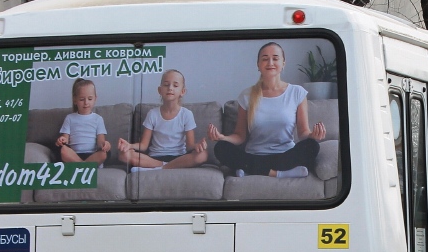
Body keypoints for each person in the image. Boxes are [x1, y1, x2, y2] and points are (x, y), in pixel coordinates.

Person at [208, 42, 326, 178]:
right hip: (254, 154)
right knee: (221, 148)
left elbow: (303, 133)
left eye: (275, 58)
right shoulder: (247, 95)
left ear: (283, 63)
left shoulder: (297, 93)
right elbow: (240, 136)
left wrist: (313, 136)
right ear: (258, 65)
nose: (270, 62)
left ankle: (252, 169)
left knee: (312, 146)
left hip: (285, 155)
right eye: (265, 58)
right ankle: (278, 173)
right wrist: (223, 137)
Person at [117, 69, 208, 170]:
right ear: (160, 90)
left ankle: (159, 168)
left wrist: (197, 146)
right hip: (155, 157)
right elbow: (143, 145)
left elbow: (189, 147)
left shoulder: (186, 114)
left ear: (182, 91)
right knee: (123, 155)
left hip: (179, 158)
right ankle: (164, 166)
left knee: (202, 155)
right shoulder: (152, 114)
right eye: (166, 85)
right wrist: (130, 146)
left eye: (175, 85)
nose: (170, 88)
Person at [56, 79, 110, 163]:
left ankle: (80, 166)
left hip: (92, 155)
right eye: (81, 99)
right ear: (75, 100)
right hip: (73, 155)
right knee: (63, 150)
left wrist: (105, 144)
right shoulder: (69, 118)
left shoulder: (98, 119)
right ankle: (86, 166)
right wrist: (62, 140)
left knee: (104, 153)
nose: (86, 102)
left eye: (90, 99)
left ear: (95, 98)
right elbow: (65, 139)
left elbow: (100, 141)